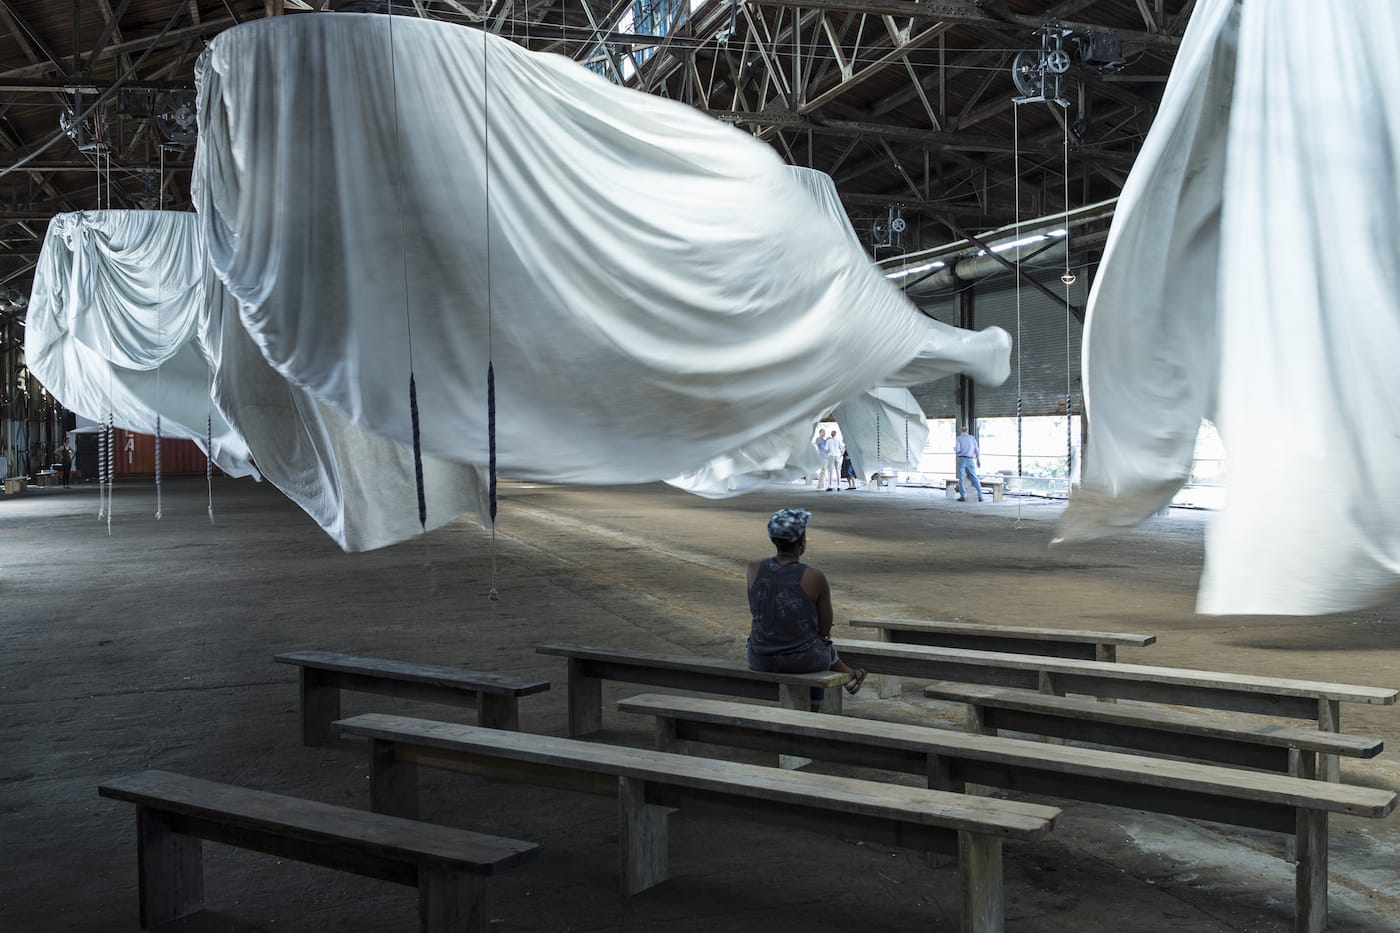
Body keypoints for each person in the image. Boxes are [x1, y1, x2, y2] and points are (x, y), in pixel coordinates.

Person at [746, 508, 866, 709]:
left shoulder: (753, 568)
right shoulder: (813, 577)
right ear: (801, 542)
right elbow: (825, 629)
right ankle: (824, 699)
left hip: (759, 657)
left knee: (812, 645)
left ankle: (849, 675)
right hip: (803, 661)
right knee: (818, 646)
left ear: (773, 540)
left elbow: (758, 610)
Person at [954, 424, 984, 502]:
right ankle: (980, 495)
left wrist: (955, 449)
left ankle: (963, 496)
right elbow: (977, 450)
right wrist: (978, 460)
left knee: (961, 478)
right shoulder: (972, 438)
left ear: (961, 430)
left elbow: (958, 450)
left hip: (962, 459)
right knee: (974, 477)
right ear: (967, 430)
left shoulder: (959, 438)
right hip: (971, 459)